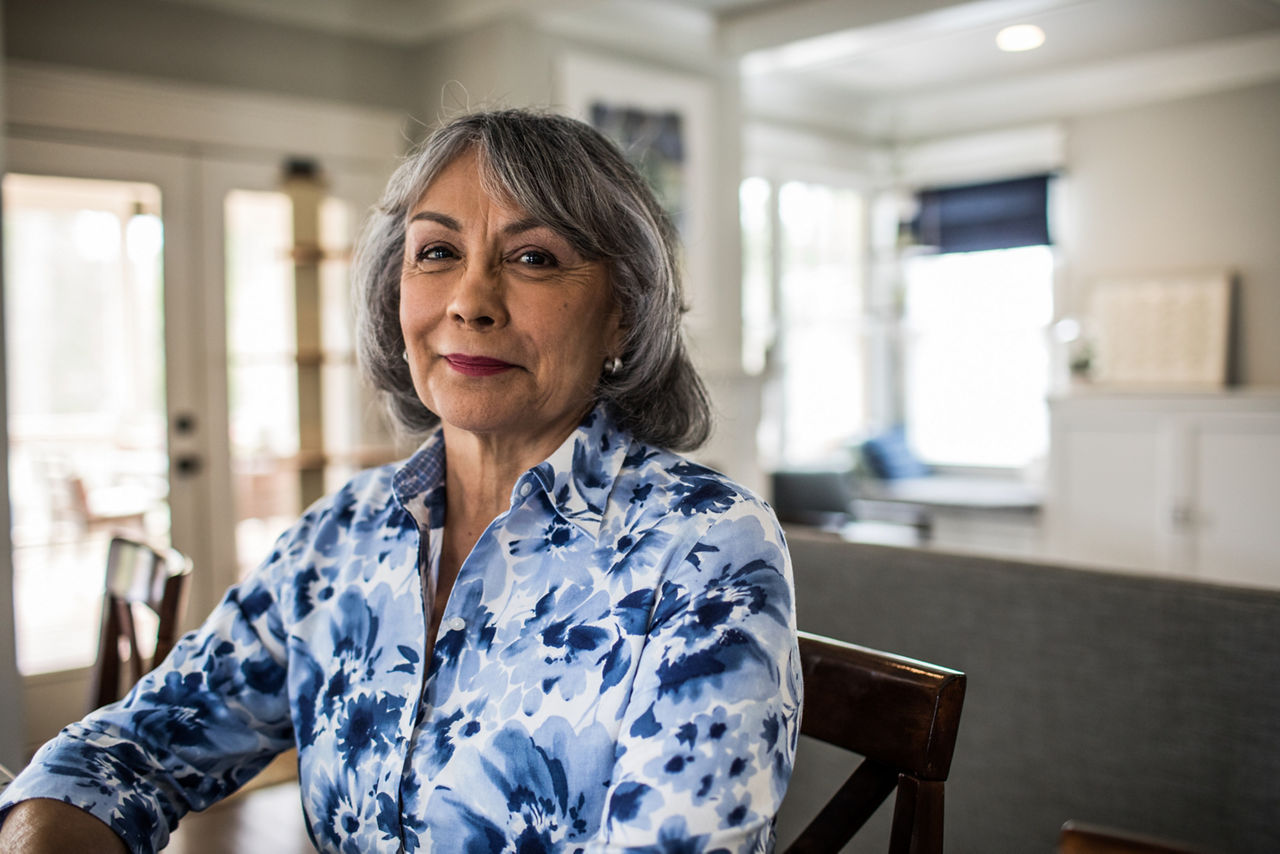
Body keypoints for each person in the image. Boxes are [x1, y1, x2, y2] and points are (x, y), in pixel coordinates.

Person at [0, 108, 801, 853]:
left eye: (533, 257)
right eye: (438, 252)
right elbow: (131, 749)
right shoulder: (338, 536)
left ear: (622, 313)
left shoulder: (707, 550)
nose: (470, 301)